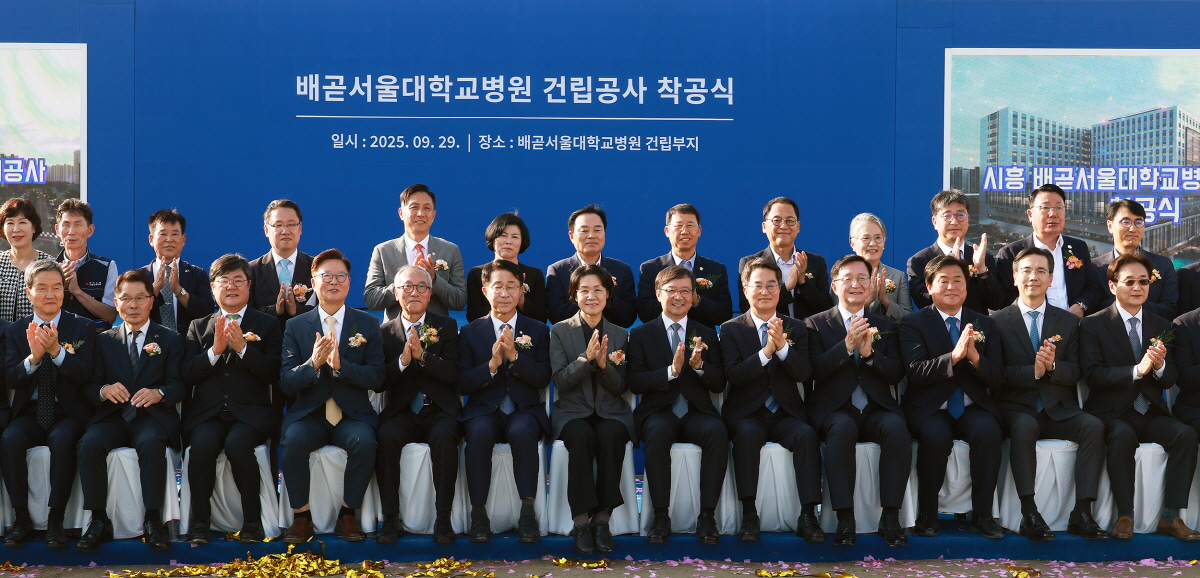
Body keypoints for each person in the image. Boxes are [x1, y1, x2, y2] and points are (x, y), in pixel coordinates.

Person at [1080, 252, 1199, 541]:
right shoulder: (1093, 324)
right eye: (1129, 281)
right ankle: (1125, 515)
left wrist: (1159, 368)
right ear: (1112, 286)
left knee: (1185, 434)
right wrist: (1136, 370)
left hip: (1152, 410)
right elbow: (1093, 374)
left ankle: (1171, 517)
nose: (1137, 287)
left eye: (1143, 282)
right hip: (1113, 412)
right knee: (1121, 436)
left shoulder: (1162, 325)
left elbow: (1172, 378)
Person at [991, 247, 1107, 541]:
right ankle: (1029, 512)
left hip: (1058, 408)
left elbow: (1077, 370)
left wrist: (1052, 366)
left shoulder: (1067, 321)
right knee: (1025, 425)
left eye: (1041, 271)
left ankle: (1082, 512)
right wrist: (1033, 372)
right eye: (1026, 270)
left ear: (1051, 278)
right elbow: (994, 375)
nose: (1033, 277)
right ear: (1015, 276)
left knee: (1093, 426)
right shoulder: (996, 322)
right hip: (1016, 408)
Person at [278, 249, 386, 543]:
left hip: (351, 414)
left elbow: (377, 377)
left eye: (341, 276)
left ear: (349, 283)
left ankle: (348, 514)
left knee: (365, 442)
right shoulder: (296, 326)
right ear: (313, 282)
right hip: (309, 414)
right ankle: (301, 517)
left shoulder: (366, 324)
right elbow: (286, 382)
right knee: (294, 441)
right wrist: (312, 364)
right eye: (327, 276)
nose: (334, 282)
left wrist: (342, 366)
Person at [77, 269, 185, 552]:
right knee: (89, 444)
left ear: (152, 301)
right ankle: (98, 520)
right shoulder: (102, 340)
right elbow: (88, 388)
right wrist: (103, 390)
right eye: (126, 298)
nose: (133, 305)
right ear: (116, 301)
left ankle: (153, 520)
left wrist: (159, 393)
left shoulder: (170, 339)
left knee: (151, 444)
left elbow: (179, 386)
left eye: (140, 298)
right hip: (112, 417)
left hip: (151, 417)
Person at [806, 255, 909, 546]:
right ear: (834, 285)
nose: (855, 284)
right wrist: (846, 346)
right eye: (848, 278)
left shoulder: (885, 325)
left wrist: (870, 356)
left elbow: (896, 373)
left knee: (897, 428)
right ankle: (845, 519)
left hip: (876, 408)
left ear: (873, 285)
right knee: (842, 429)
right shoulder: (815, 325)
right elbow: (813, 371)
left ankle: (890, 517)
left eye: (862, 278)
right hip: (835, 409)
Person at [900, 255, 1004, 539]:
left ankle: (983, 515)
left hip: (973, 405)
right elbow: (915, 372)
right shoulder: (913, 323)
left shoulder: (985, 323)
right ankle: (928, 514)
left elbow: (996, 377)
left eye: (958, 280)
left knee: (988, 430)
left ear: (967, 286)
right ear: (929, 287)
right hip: (931, 407)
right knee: (934, 437)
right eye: (943, 280)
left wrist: (975, 359)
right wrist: (955, 358)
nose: (951, 286)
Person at [181, 254, 282, 545]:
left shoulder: (267, 324)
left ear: (249, 286)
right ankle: (200, 522)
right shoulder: (198, 326)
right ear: (213, 288)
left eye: (239, 280)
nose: (232, 286)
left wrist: (243, 349)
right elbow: (187, 374)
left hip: (250, 414)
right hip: (207, 414)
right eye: (224, 281)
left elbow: (274, 373)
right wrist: (213, 351)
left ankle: (252, 521)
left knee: (238, 446)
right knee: (201, 447)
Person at [721, 258, 820, 543]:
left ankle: (808, 514)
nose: (765, 291)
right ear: (745, 288)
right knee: (748, 436)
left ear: (780, 289)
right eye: (758, 285)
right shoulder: (731, 329)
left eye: (771, 285)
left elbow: (804, 374)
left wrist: (783, 350)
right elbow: (735, 375)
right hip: (747, 413)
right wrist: (766, 351)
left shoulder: (797, 327)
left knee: (806, 435)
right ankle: (750, 514)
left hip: (785, 413)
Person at [628, 265, 726, 544]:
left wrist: (699, 367)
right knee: (657, 433)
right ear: (659, 294)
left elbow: (719, 383)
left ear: (694, 296)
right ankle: (661, 515)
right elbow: (635, 382)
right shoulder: (641, 334)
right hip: (659, 412)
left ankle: (707, 515)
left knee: (717, 432)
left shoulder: (706, 332)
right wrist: (670, 372)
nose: (679, 297)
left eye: (686, 291)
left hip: (696, 412)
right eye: (671, 291)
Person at [1, 260, 95, 548]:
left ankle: (56, 520)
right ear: (29, 292)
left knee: (63, 439)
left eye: (57, 287)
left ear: (64, 292)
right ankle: (21, 520)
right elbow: (10, 377)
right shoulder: (16, 331)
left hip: (67, 413)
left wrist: (56, 352)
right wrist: (33, 358)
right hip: (29, 412)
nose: (50, 294)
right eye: (42, 288)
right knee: (9, 440)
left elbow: (85, 374)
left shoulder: (82, 327)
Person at [458, 259, 551, 543]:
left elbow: (543, 377)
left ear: (522, 290)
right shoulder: (470, 331)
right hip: (484, 410)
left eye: (512, 286)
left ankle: (527, 514)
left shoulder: (537, 329)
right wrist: (492, 365)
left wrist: (515, 359)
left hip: (523, 409)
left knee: (523, 432)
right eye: (498, 286)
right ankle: (478, 514)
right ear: (485, 290)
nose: (505, 293)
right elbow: (462, 382)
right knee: (480, 433)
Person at [375, 265, 461, 545]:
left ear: (430, 293)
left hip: (438, 409)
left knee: (447, 437)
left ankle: (444, 519)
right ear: (396, 293)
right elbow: (379, 382)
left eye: (422, 287)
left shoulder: (446, 326)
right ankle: (390, 519)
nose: (414, 292)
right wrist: (402, 361)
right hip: (401, 411)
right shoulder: (384, 332)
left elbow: (453, 374)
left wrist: (423, 357)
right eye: (407, 287)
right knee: (385, 437)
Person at [550, 264, 632, 554]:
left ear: (608, 295)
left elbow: (621, 387)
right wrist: (585, 361)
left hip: (611, 410)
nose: (591, 296)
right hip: (573, 411)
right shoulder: (560, 331)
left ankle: (603, 519)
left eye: (598, 290)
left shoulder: (620, 334)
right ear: (574, 295)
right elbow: (560, 380)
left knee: (611, 435)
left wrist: (603, 365)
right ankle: (581, 521)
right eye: (584, 290)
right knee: (582, 436)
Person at [996, 184, 1105, 319]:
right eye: (1045, 207)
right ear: (1030, 214)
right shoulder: (1011, 253)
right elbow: (1006, 298)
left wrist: (1081, 306)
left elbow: (1093, 288)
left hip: (1075, 327)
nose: (1053, 214)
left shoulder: (1078, 247)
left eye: (1059, 208)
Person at [365, 183, 466, 321]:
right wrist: (404, 283)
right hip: (395, 336)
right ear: (401, 213)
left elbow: (459, 301)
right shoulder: (383, 251)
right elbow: (371, 299)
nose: (421, 213)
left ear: (433, 215)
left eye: (427, 208)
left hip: (438, 334)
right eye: (414, 207)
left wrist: (434, 279)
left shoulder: (450, 250)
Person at [906, 190, 1005, 314]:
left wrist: (981, 270)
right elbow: (922, 302)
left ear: (968, 219)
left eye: (960, 215)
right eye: (947, 216)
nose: (954, 221)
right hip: (938, 330)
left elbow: (996, 303)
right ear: (935, 221)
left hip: (977, 329)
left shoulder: (982, 258)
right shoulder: (920, 261)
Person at [637, 204, 732, 328]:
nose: (685, 231)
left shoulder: (716, 269)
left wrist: (696, 300)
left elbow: (724, 315)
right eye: (678, 226)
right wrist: (673, 299)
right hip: (661, 340)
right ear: (667, 231)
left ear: (699, 231)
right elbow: (645, 313)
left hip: (704, 340)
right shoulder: (650, 268)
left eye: (690, 226)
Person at [738, 197, 832, 320]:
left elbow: (826, 308)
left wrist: (803, 283)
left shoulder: (815, 261)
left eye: (790, 220)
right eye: (777, 220)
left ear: (798, 226)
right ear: (764, 226)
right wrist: (786, 286)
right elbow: (746, 307)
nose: (783, 226)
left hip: (808, 336)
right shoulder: (750, 263)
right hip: (768, 334)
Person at [546, 205, 637, 327]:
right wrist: (587, 298)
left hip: (612, 340)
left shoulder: (622, 270)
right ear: (571, 236)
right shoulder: (558, 270)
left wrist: (604, 293)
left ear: (604, 233)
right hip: (571, 340)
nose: (591, 235)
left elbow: (628, 317)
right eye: (584, 230)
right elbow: (555, 316)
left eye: (597, 230)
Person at [1091, 199, 1178, 320]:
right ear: (1110, 226)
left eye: (1138, 222)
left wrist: (1134, 303)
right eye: (1126, 222)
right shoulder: (1095, 267)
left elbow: (1170, 309)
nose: (1132, 229)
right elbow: (1092, 307)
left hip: (1151, 334)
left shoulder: (1163, 264)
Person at [140, 209, 216, 334]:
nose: (169, 239)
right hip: (149, 345)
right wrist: (154, 290)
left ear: (183, 239)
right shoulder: (139, 276)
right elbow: (132, 311)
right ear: (151, 239)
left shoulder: (197, 274)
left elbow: (207, 313)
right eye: (163, 234)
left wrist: (179, 291)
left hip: (188, 345)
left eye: (175, 234)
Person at [467, 213, 548, 322]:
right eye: (503, 235)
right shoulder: (477, 273)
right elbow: (473, 315)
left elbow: (541, 317)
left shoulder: (534, 274)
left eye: (515, 237)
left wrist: (519, 296)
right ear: (492, 238)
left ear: (522, 242)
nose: (508, 241)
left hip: (525, 335)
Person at [248, 199, 315, 327]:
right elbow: (246, 314)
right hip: (264, 344)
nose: (285, 231)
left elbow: (325, 310)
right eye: (278, 225)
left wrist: (296, 310)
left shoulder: (316, 268)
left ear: (300, 228)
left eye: (291, 224)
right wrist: (274, 310)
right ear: (266, 229)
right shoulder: (251, 270)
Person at [53, 199, 118, 327]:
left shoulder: (106, 266)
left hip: (96, 341)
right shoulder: (48, 267)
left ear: (90, 230)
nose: (71, 232)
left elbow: (111, 316)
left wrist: (77, 291)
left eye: (78, 224)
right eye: (66, 224)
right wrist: (58, 286)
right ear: (57, 229)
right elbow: (38, 312)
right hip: (55, 339)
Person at [847, 213, 911, 322]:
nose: (872, 243)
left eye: (878, 238)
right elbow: (836, 316)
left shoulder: (897, 276)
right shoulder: (843, 275)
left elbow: (908, 318)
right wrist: (867, 301)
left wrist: (886, 301)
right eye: (866, 238)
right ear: (853, 244)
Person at [0, 198, 53, 322]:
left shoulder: (49, 264)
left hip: (37, 337)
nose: (16, 229)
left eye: (22, 222)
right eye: (10, 223)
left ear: (33, 227)